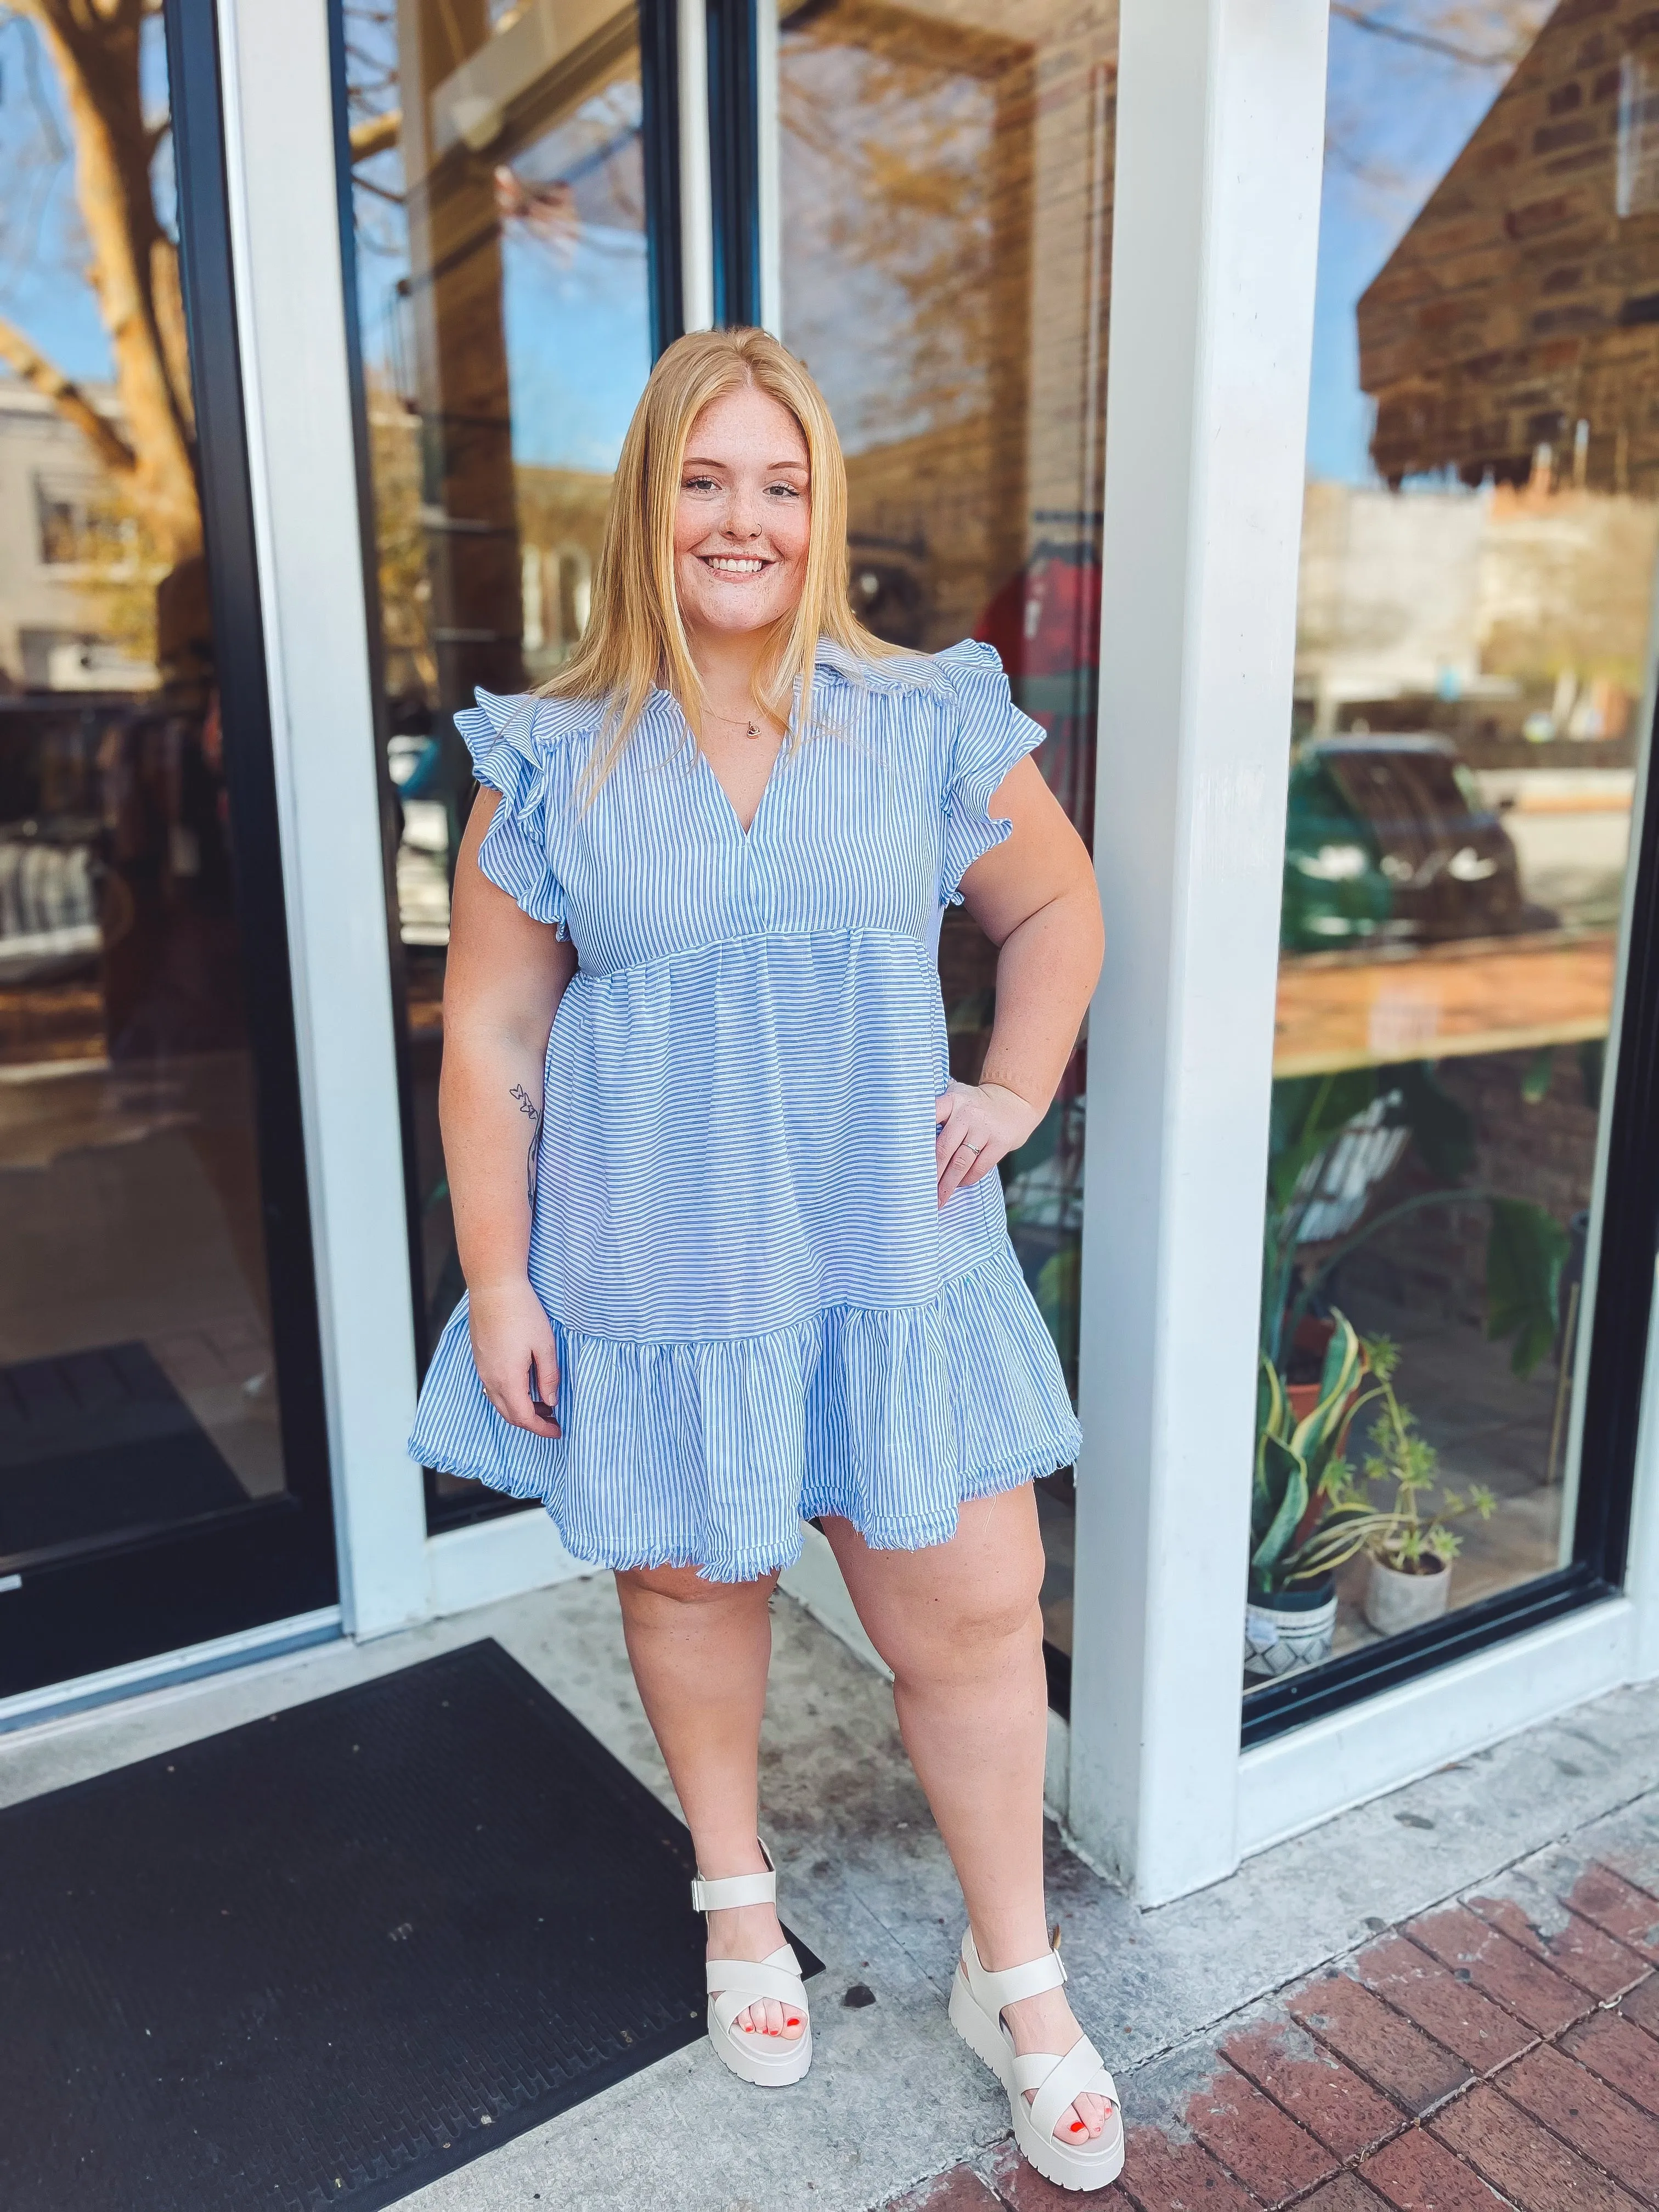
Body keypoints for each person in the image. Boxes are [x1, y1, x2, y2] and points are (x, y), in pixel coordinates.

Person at [409, 327, 1116, 2192]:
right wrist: (499, 1279)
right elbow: (489, 1037)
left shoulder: (921, 715)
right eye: (706, 480)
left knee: (972, 1608)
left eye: (782, 485)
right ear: (648, 502)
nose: (746, 520)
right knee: (694, 1587)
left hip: (895, 1257)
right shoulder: (552, 761)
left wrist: (1018, 1084)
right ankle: (740, 1903)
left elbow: (1051, 901)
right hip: (658, 1261)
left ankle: (1016, 1975)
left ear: (825, 511)